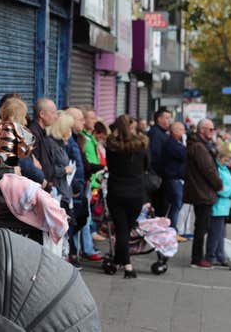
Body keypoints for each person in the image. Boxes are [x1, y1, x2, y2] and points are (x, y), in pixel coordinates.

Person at [105, 115, 150, 279]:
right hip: (136, 192)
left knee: (122, 229)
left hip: (116, 191)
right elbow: (147, 166)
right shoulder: (141, 146)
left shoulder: (112, 147)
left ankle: (119, 261)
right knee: (127, 228)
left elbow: (109, 166)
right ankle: (127, 266)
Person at [183, 119, 223, 269]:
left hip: (200, 190)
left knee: (201, 225)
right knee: (201, 226)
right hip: (202, 191)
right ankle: (197, 258)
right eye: (211, 129)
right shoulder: (199, 147)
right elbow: (208, 170)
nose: (213, 132)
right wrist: (219, 185)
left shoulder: (199, 145)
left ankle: (197, 257)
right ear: (202, 130)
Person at [65, 107, 101, 264]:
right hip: (75, 188)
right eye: (81, 119)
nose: (85, 122)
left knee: (82, 218)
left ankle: (80, 249)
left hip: (81, 184)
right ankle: (76, 251)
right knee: (77, 220)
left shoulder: (79, 138)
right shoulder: (73, 140)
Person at [206, 145, 231, 266]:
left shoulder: (224, 169)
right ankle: (211, 255)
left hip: (224, 206)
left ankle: (219, 255)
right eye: (226, 159)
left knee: (221, 234)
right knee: (215, 233)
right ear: (220, 157)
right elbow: (219, 188)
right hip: (218, 205)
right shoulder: (217, 170)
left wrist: (230, 190)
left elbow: (228, 185)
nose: (228, 161)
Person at [162, 122, 187, 240]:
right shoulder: (171, 143)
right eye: (181, 129)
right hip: (173, 178)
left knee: (177, 204)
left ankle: (172, 228)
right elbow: (184, 154)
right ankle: (172, 230)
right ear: (175, 131)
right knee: (176, 204)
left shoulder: (177, 143)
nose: (184, 132)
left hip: (177, 178)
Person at [147, 107, 172, 216]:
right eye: (166, 118)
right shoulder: (156, 134)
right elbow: (155, 156)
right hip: (158, 178)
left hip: (160, 177)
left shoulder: (162, 133)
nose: (169, 121)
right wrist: (161, 174)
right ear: (159, 119)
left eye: (169, 118)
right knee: (159, 207)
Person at [29, 98, 59, 182]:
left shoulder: (42, 132)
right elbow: (35, 164)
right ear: (42, 114)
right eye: (53, 112)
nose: (55, 116)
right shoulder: (33, 134)